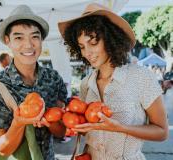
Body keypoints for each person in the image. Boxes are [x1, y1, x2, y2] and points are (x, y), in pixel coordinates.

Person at [58, 3, 168, 160]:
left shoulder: (141, 77)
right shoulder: (86, 84)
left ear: (110, 39)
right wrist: (69, 123)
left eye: (93, 43)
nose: (87, 52)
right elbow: (87, 128)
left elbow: (162, 132)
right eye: (82, 46)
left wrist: (121, 128)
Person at [0, 5, 67, 160]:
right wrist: (18, 123)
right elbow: (2, 149)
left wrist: (49, 119)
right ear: (8, 41)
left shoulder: (54, 79)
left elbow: (62, 132)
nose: (28, 45)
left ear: (41, 39)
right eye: (19, 37)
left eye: (34, 36)